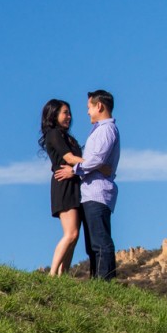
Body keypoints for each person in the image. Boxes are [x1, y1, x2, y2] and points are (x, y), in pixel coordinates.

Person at [54, 90, 121, 280]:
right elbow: (97, 161)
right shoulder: (101, 130)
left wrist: (73, 170)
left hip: (97, 192)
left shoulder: (106, 130)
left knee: (100, 242)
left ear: (99, 106)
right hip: (91, 192)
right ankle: (98, 281)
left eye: (89, 107)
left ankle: (105, 282)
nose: (87, 112)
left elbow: (96, 159)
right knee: (93, 244)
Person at [39, 99, 95, 274]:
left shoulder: (67, 137)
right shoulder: (54, 134)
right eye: (65, 113)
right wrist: (96, 164)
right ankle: (52, 274)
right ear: (54, 114)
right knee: (71, 233)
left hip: (74, 183)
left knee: (74, 235)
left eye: (69, 113)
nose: (69, 117)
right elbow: (69, 159)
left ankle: (62, 275)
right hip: (63, 184)